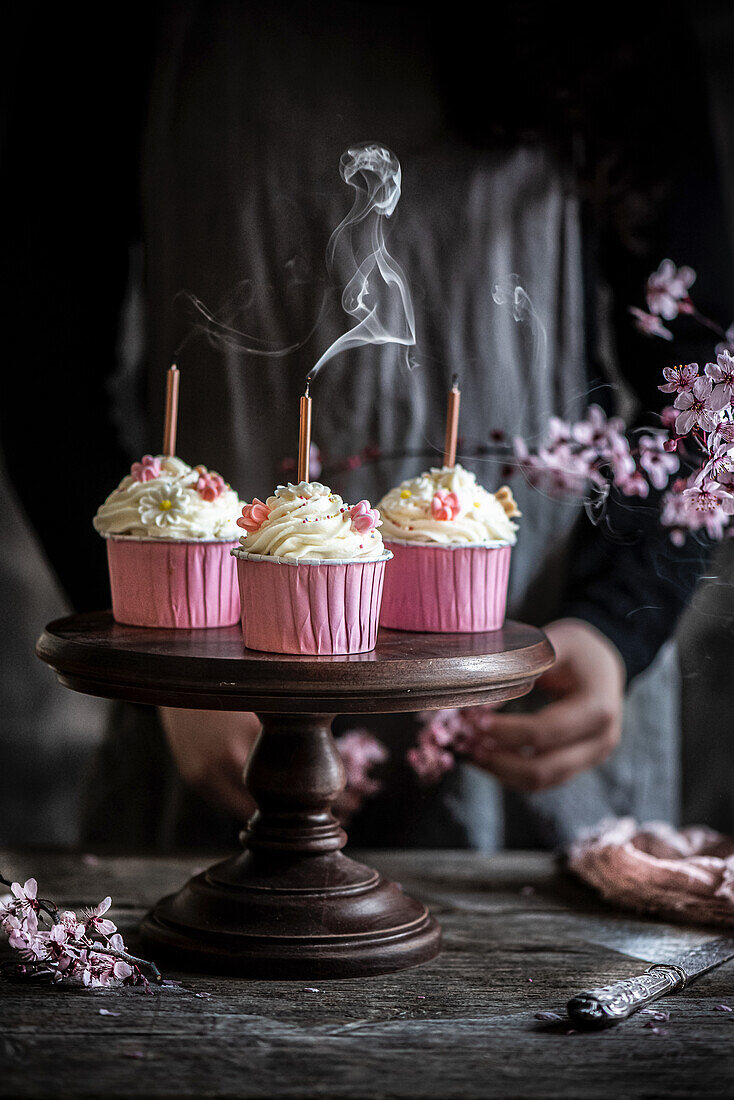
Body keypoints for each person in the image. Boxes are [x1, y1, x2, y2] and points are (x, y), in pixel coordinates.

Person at [3, 1, 732, 850]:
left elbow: (708, 372)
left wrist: (617, 623)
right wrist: (159, 654)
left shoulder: (610, 23)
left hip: (537, 693)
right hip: (207, 699)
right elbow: (35, 347)